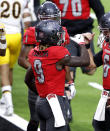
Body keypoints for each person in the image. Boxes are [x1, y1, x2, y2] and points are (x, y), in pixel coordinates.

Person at [25, 19, 90, 131]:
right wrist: (82, 43)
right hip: (54, 103)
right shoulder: (57, 53)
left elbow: (27, 79)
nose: (59, 37)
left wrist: (42, 93)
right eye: (57, 35)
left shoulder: (33, 53)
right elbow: (85, 61)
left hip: (40, 102)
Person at [18, 1, 72, 130]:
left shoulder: (62, 31)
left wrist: (70, 81)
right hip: (39, 83)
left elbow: (64, 59)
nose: (52, 21)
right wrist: (41, 70)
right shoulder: (32, 32)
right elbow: (22, 59)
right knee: (35, 119)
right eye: (50, 18)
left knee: (60, 121)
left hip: (56, 84)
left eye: (54, 17)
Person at [48, 0, 105, 80]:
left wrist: (103, 31)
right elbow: (100, 10)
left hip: (84, 32)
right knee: (69, 69)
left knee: (90, 69)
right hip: (65, 34)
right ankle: (69, 89)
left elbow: (99, 9)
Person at [0, 0, 32, 116]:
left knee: (3, 70)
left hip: (2, 35)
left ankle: (9, 106)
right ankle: (5, 97)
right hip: (16, 35)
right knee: (10, 68)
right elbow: (27, 20)